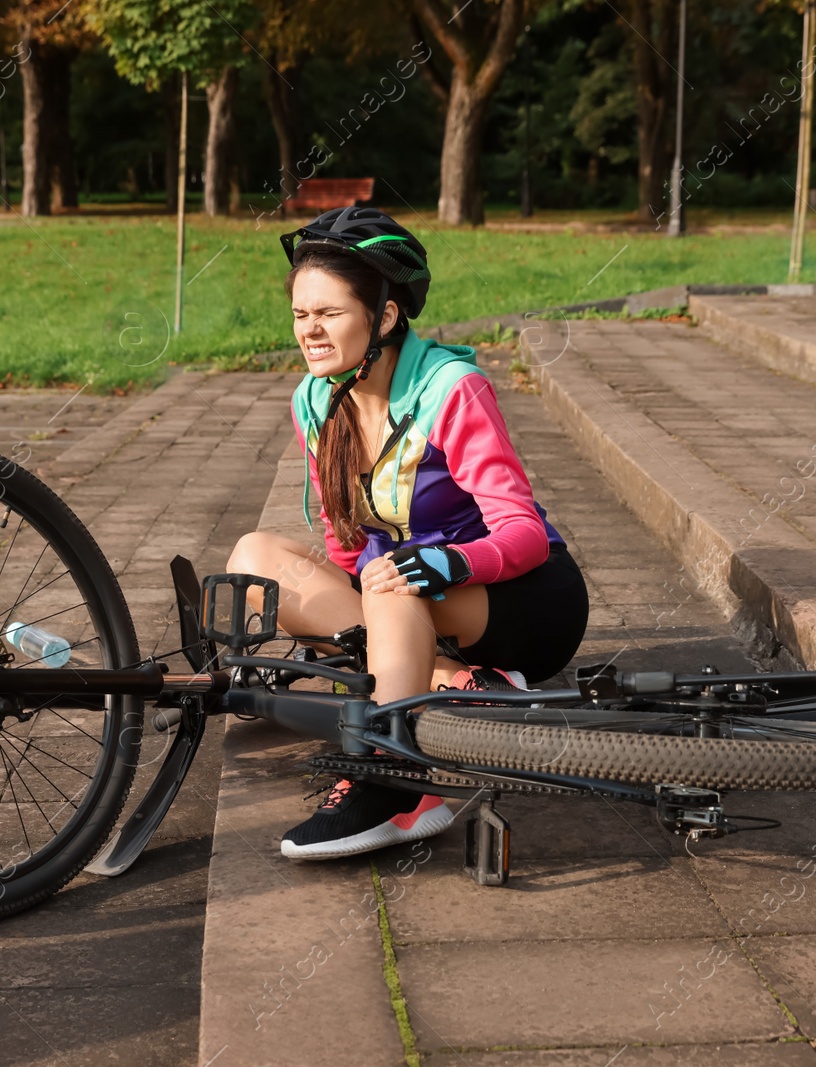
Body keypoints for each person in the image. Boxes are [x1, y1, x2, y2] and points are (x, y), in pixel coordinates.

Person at [226, 207, 590, 861]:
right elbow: (346, 540)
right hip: (412, 596)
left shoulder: (453, 389)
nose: (309, 329)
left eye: (329, 313)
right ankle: (455, 677)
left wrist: (447, 562)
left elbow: (524, 533)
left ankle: (397, 781)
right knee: (255, 556)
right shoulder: (313, 399)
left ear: (385, 318)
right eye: (301, 313)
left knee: (393, 577)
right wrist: (356, 579)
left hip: (520, 595)